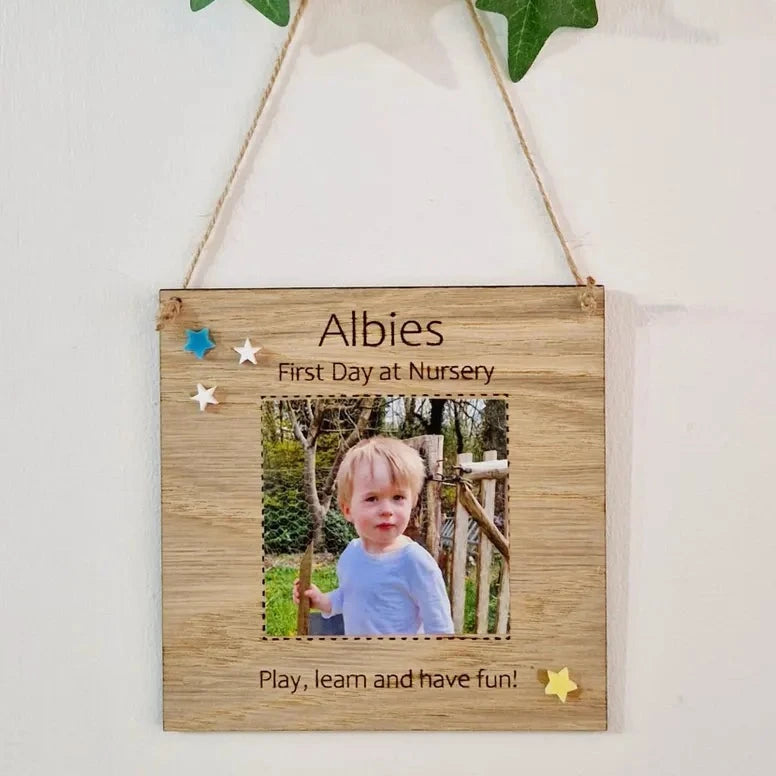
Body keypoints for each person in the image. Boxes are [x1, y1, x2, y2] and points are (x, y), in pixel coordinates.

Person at [293, 436, 454, 635]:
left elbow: (440, 628)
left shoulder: (416, 563)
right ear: (348, 510)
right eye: (372, 498)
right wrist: (323, 601)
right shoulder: (351, 555)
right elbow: (351, 596)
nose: (387, 510)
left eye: (398, 497)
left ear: (412, 502)